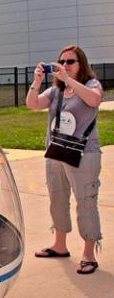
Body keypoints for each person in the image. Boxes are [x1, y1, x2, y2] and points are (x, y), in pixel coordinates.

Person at [26, 46, 103, 274]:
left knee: (86, 201)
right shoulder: (55, 91)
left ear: (82, 64)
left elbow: (94, 100)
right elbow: (32, 104)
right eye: (62, 61)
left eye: (71, 61)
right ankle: (60, 245)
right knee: (57, 198)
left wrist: (69, 80)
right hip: (57, 152)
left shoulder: (91, 85)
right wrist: (37, 81)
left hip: (84, 154)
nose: (65, 65)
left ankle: (88, 253)